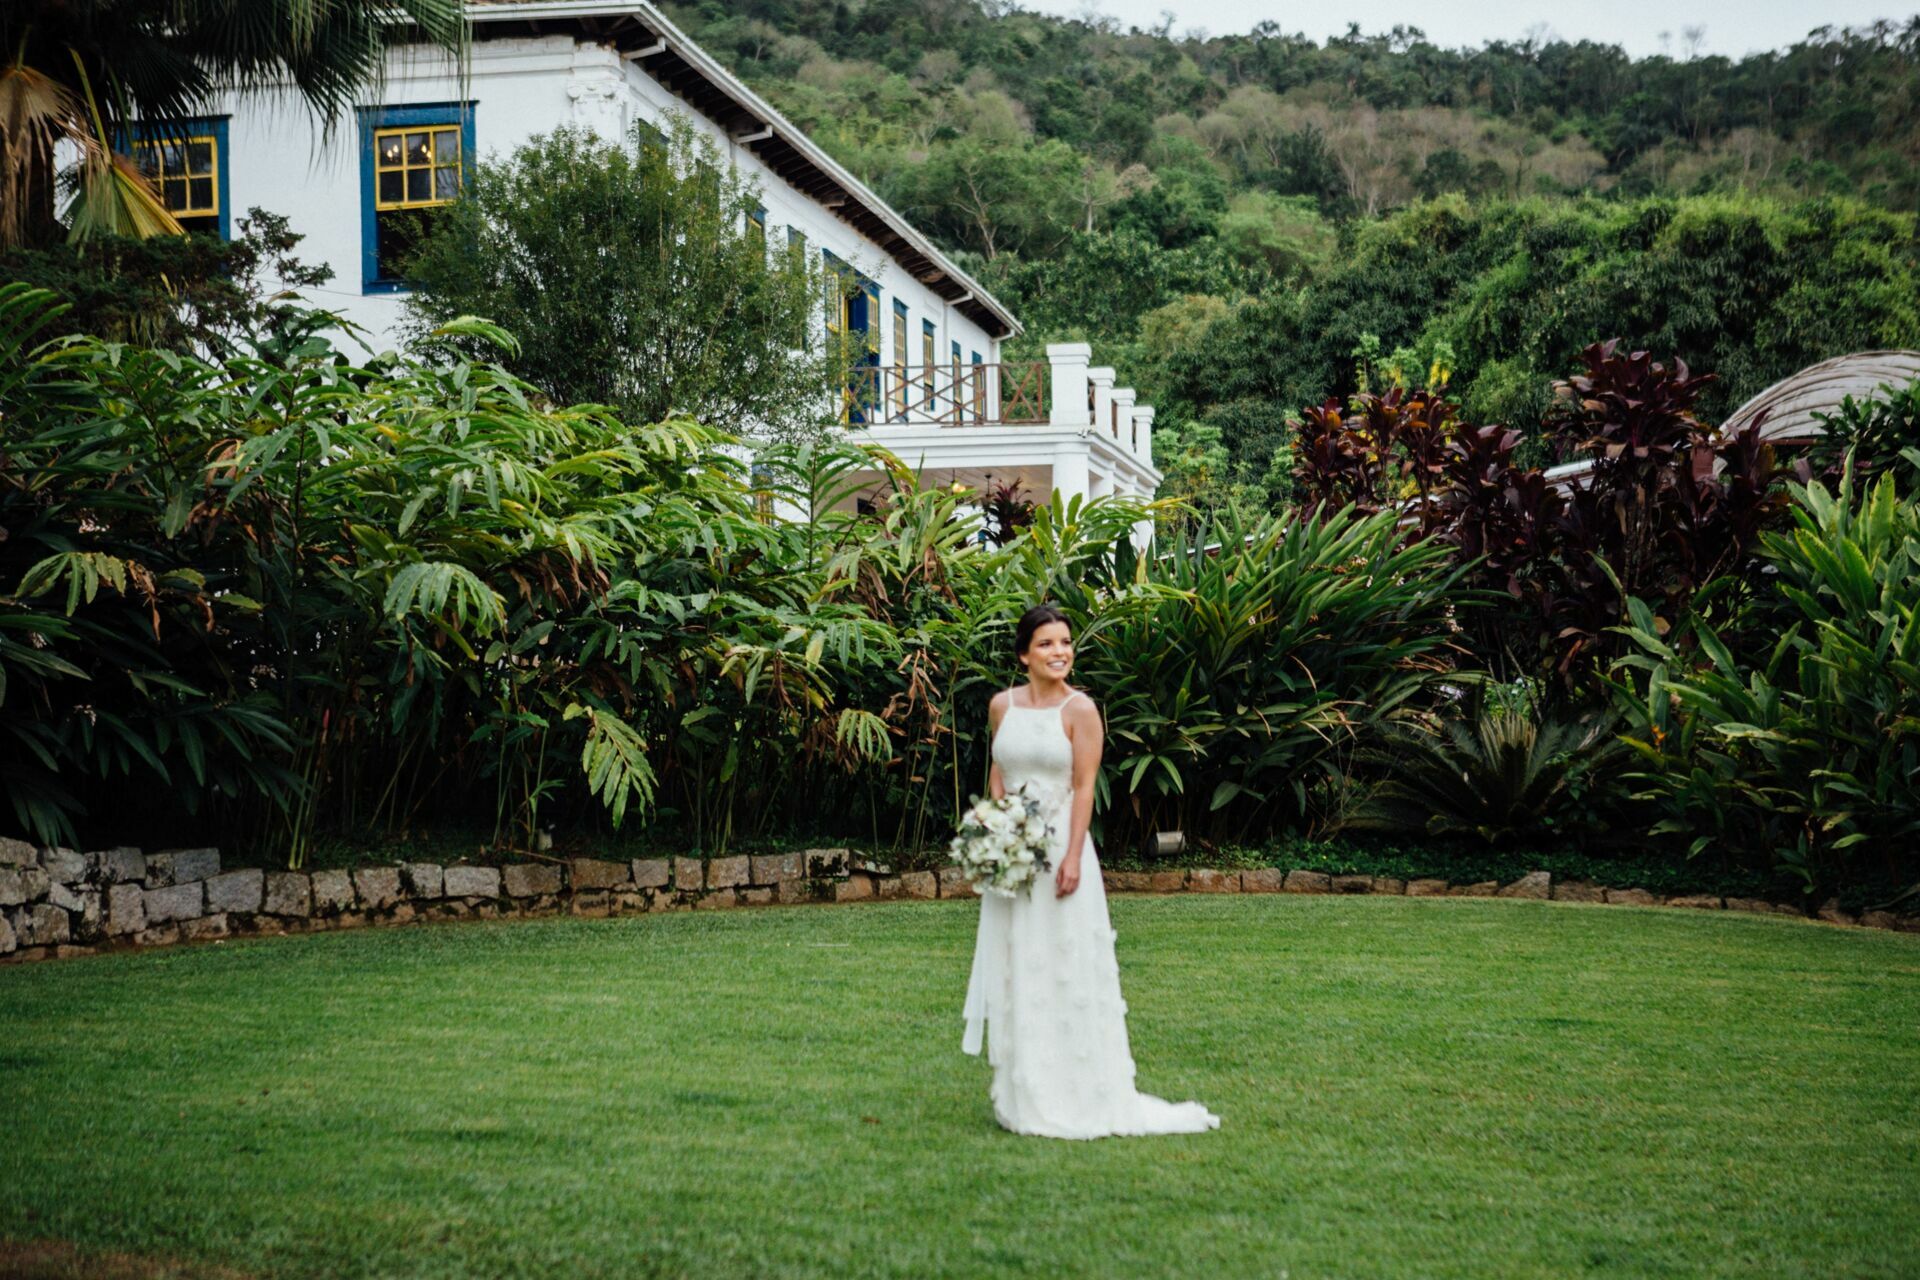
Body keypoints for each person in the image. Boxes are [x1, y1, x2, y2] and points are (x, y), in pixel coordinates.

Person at [960, 603, 1222, 1139]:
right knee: (1020, 968)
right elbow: (998, 770)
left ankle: (1080, 1090)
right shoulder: (1000, 706)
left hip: (1061, 850)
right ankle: (1025, 1092)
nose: (1060, 652)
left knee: (1064, 967)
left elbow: (1084, 786)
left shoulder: (1080, 711)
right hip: (1015, 856)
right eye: (1046, 644)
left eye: (1065, 642)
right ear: (1023, 655)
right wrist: (998, 828)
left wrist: (1074, 855)